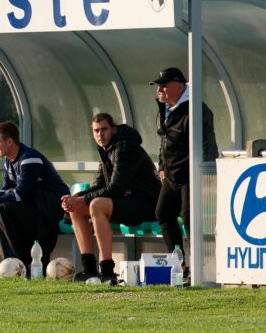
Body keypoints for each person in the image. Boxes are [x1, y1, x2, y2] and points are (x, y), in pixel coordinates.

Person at [61, 113, 160, 283]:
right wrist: (74, 198)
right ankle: (89, 271)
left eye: (104, 129)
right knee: (77, 207)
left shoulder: (125, 147)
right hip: (126, 203)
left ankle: (107, 270)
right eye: (96, 131)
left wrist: (81, 199)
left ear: (113, 129)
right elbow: (99, 185)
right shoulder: (107, 150)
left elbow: (115, 188)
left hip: (147, 204)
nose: (100, 134)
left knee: (97, 205)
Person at [0, 122, 67, 277]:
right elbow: (4, 191)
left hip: (48, 206)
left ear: (9, 141)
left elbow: (20, 194)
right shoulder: (8, 161)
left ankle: (3, 268)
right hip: (31, 204)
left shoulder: (30, 158)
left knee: (2, 209)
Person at [151, 66, 218, 276]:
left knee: (192, 221)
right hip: (171, 176)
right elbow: (164, 142)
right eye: (158, 86)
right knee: (163, 214)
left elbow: (207, 146)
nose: (160, 90)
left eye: (164, 85)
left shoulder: (196, 109)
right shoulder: (166, 108)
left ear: (180, 85)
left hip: (191, 175)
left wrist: (201, 173)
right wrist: (162, 167)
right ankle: (178, 264)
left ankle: (201, 269)